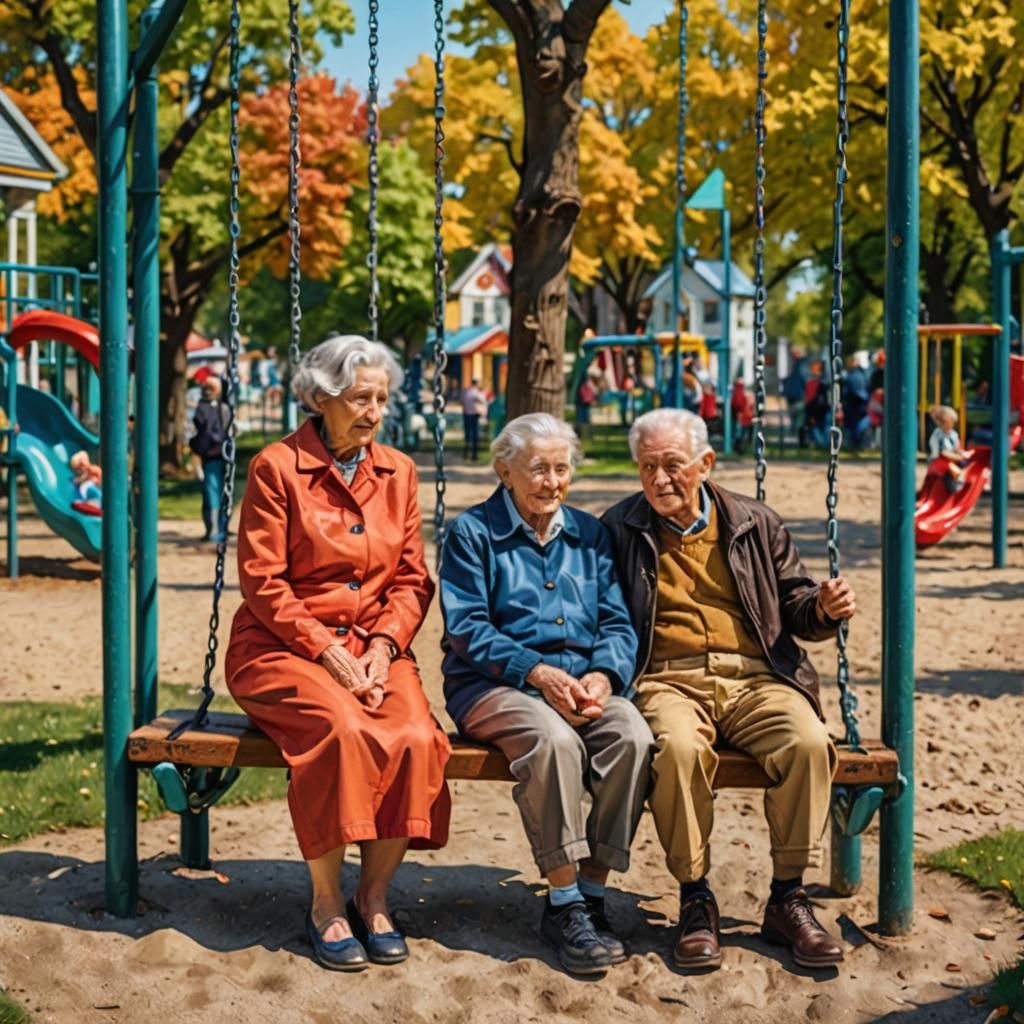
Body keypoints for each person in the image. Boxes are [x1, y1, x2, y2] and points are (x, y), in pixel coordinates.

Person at [225, 334, 451, 972]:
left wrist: (383, 647)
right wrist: (326, 651)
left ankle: (374, 897)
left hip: (374, 646)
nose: (374, 411)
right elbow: (263, 581)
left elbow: (411, 578)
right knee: (342, 728)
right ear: (321, 398)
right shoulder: (277, 467)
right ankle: (326, 903)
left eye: (381, 398)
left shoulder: (398, 471)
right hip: (280, 646)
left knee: (414, 733)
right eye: (360, 398)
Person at [602, 408, 856, 971]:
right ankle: (696, 897)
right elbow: (604, 616)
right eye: (647, 467)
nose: (660, 480)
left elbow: (795, 607)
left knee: (810, 742)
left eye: (672, 465)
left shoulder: (753, 522)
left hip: (757, 676)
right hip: (668, 679)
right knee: (678, 749)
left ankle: (788, 895)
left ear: (705, 463)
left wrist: (823, 607)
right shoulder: (620, 527)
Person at [440, 413, 653, 975]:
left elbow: (616, 622)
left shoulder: (590, 533)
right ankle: (562, 903)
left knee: (632, 734)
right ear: (503, 470)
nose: (551, 482)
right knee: (553, 741)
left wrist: (604, 677)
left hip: (580, 682)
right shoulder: (473, 533)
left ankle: (591, 893)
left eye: (562, 469)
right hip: (493, 685)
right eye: (538, 469)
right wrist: (537, 673)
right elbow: (468, 628)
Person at [190, 377, 231, 542]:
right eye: (205, 386)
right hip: (217, 454)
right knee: (216, 491)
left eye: (210, 387)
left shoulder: (212, 408)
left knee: (215, 491)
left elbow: (205, 430)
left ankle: (217, 529)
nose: (206, 390)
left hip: (214, 454)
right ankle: (217, 528)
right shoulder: (218, 408)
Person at [927, 404, 971, 493]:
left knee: (966, 465)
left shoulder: (953, 434)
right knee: (951, 471)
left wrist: (962, 453)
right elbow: (942, 452)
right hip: (939, 461)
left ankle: (960, 484)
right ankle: (953, 490)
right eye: (949, 422)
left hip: (950, 459)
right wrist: (958, 457)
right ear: (941, 422)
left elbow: (956, 448)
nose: (952, 425)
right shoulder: (938, 435)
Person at [782, 348, 808, 446]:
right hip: (795, 395)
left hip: (797, 396)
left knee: (797, 418)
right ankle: (799, 439)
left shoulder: (799, 366)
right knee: (797, 418)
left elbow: (802, 380)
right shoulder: (798, 366)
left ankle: (799, 439)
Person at [461, 377, 489, 461]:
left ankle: (466, 453)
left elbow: (462, 401)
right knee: (474, 435)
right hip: (474, 415)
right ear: (477, 384)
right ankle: (474, 455)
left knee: (467, 434)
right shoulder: (476, 393)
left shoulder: (466, 391)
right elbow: (483, 400)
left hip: (466, 415)